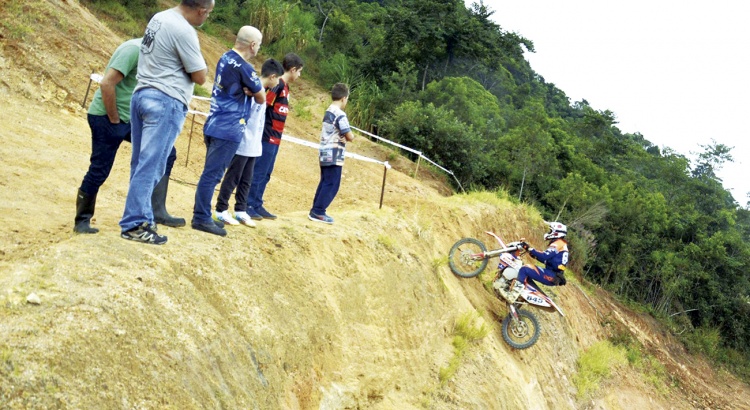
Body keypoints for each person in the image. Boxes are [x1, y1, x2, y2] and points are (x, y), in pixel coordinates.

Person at [119, 0, 213, 245]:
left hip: (141, 94)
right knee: (152, 165)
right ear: (202, 10)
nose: (207, 18)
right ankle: (135, 224)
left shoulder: (159, 18)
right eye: (209, 13)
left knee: (141, 163)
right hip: (165, 100)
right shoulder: (184, 30)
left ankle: (144, 218)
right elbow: (200, 76)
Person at [74, 38, 184, 235]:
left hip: (129, 119)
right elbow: (107, 84)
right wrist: (114, 119)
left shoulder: (156, 54)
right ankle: (82, 220)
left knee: (166, 153)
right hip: (107, 116)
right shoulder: (133, 50)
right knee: (100, 169)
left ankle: (157, 211)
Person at [191, 26, 266, 236]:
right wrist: (253, 91)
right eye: (258, 44)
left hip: (214, 122)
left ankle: (202, 213)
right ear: (252, 45)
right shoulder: (246, 68)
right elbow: (261, 97)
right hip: (229, 128)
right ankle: (201, 217)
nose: (258, 48)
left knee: (211, 173)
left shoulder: (225, 57)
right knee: (212, 175)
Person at [213, 59, 283, 227]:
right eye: (278, 79)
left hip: (254, 144)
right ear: (272, 77)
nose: (278, 82)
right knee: (233, 177)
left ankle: (240, 210)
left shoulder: (261, 92)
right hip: (243, 141)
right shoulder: (251, 90)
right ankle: (221, 209)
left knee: (247, 179)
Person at [245, 53, 305, 220]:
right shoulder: (277, 85)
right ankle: (248, 203)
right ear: (292, 70)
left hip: (276, 137)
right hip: (267, 135)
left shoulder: (285, 87)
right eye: (299, 71)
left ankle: (257, 203)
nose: (299, 75)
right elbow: (263, 104)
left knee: (267, 172)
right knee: (259, 171)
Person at [308, 83, 354, 224]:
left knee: (325, 181)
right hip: (334, 152)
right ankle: (319, 211)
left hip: (324, 150)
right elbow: (350, 136)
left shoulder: (328, 111)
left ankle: (316, 208)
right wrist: (349, 137)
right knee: (332, 183)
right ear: (344, 98)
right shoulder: (340, 114)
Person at [496, 222, 570, 302]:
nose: (549, 233)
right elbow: (547, 261)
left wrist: (529, 249)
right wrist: (533, 254)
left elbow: (544, 256)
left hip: (552, 275)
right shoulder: (562, 244)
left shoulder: (559, 243)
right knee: (527, 271)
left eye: (550, 231)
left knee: (525, 269)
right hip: (553, 274)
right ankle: (513, 291)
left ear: (556, 233)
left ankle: (512, 295)